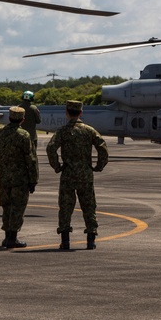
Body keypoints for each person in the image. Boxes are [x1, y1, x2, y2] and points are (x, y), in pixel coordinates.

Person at [46, 100, 108, 250]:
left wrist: (57, 166)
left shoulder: (62, 131)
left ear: (67, 113)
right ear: (81, 113)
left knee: (65, 207)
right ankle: (91, 240)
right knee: (89, 206)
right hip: (85, 174)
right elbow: (102, 148)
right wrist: (98, 166)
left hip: (68, 173)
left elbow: (51, 148)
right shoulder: (89, 130)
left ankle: (65, 241)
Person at [0, 106, 38, 248]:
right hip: (20, 179)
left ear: (9, 118)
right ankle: (13, 237)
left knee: (6, 207)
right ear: (22, 120)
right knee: (17, 207)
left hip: (5, 178)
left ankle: (7, 237)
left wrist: (2, 170)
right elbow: (31, 159)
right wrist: (33, 179)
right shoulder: (23, 135)